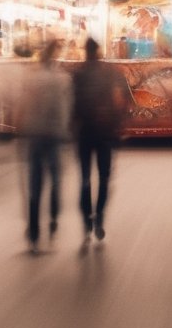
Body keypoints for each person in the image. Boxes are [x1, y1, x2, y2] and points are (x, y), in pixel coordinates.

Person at [71, 37, 129, 244]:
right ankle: (100, 219)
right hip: (105, 133)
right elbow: (121, 99)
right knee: (104, 178)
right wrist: (119, 124)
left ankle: (87, 220)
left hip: (84, 133)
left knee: (85, 177)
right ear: (99, 51)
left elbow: (72, 105)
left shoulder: (77, 75)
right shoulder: (110, 73)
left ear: (85, 52)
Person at [19, 43, 72, 252]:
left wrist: (21, 127)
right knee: (56, 182)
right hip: (54, 134)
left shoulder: (30, 79)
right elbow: (66, 109)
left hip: (34, 134)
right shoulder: (63, 80)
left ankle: (33, 233)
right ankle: (53, 224)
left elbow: (22, 105)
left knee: (34, 185)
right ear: (56, 59)